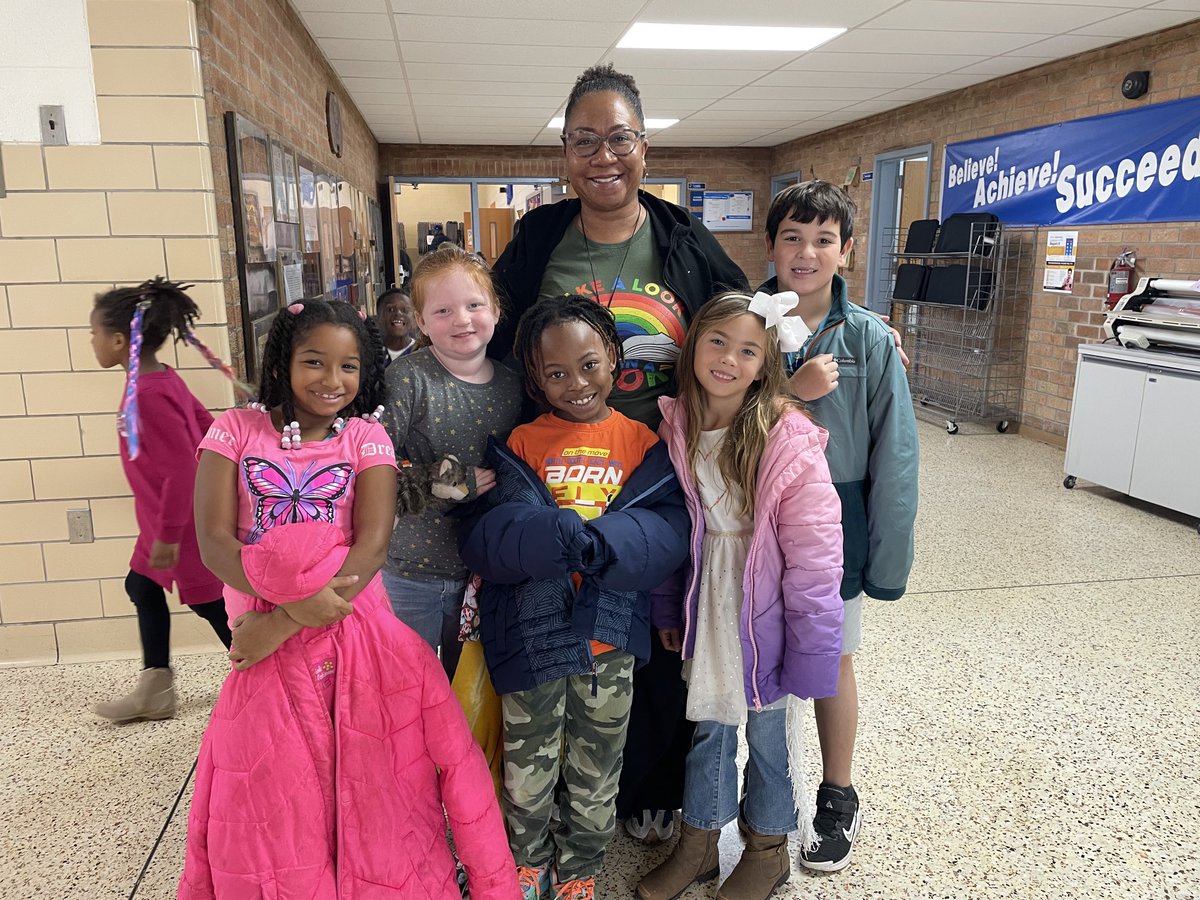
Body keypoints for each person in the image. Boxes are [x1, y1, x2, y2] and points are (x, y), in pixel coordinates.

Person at [491, 62, 749, 845]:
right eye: (584, 141)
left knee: (657, 632)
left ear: (645, 145)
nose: (604, 157)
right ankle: (554, 798)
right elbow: (487, 334)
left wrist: (848, 322)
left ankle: (647, 789)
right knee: (565, 635)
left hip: (656, 471)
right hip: (558, 467)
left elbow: (750, 316)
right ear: (565, 153)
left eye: (620, 138)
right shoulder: (539, 236)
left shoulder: (682, 236)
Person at [179, 299, 516, 898]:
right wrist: (280, 617)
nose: (332, 381)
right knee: (279, 784)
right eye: (314, 362)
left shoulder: (366, 437)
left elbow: (372, 543)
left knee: (367, 774)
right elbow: (213, 541)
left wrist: (287, 619)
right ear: (283, 362)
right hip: (262, 644)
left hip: (354, 631)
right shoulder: (233, 430)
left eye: (349, 367)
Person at [459, 296, 689, 900]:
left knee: (596, 768)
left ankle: (581, 865)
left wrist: (603, 544)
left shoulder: (642, 442)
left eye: (589, 365)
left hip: (607, 638)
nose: (576, 384)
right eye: (556, 373)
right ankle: (527, 858)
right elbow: (492, 533)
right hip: (535, 636)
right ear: (534, 378)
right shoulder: (521, 441)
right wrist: (553, 536)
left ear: (614, 360)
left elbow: (666, 528)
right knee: (527, 767)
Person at [637, 292, 844, 900]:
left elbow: (815, 551)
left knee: (768, 735)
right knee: (708, 728)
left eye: (748, 350)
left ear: (765, 363)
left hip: (768, 612)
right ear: (694, 345)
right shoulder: (676, 423)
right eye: (718, 342)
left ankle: (769, 848)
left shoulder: (786, 434)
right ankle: (698, 844)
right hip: (708, 600)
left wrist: (812, 643)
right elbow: (677, 526)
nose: (728, 359)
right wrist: (669, 602)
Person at [758, 181, 920, 874]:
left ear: (847, 250)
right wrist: (791, 389)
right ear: (770, 245)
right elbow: (715, 410)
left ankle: (837, 792)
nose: (806, 252)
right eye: (792, 237)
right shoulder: (745, 324)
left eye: (824, 239)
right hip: (757, 518)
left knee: (832, 660)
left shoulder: (871, 339)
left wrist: (887, 560)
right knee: (761, 659)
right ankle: (764, 798)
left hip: (836, 523)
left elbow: (898, 456)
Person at [88, 278, 233, 723]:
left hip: (180, 525)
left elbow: (181, 471)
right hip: (162, 520)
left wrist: (170, 533)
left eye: (94, 333)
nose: (91, 342)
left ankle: (277, 674)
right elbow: (206, 422)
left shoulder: (149, 392)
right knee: (141, 586)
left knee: (215, 607)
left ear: (117, 340)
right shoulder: (159, 378)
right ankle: (156, 689)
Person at [381, 246, 523, 678]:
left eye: (474, 305)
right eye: (442, 310)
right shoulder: (407, 379)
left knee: (466, 703)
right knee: (407, 691)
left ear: (496, 311)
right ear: (420, 322)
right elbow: (369, 472)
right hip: (411, 573)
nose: (461, 320)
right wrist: (449, 482)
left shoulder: (514, 386)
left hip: (483, 578)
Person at [376, 287, 421, 364]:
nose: (398, 314)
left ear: (414, 318)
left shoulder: (421, 353)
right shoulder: (371, 353)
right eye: (390, 310)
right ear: (379, 317)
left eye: (405, 310)